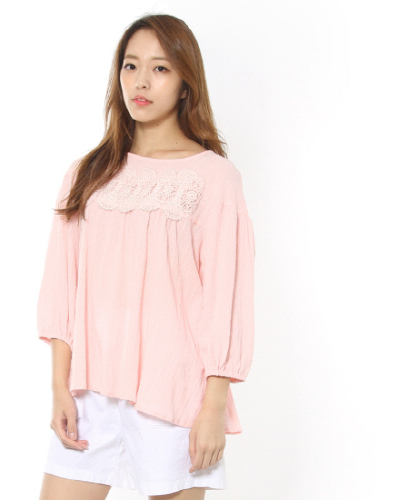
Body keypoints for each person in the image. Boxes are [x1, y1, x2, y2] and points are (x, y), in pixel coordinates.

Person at [37, 13, 256, 500]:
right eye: (131, 65)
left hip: (173, 394)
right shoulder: (87, 173)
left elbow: (226, 298)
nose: (141, 81)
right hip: (90, 393)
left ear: (185, 83)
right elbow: (61, 288)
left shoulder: (214, 178)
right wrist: (59, 388)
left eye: (160, 68)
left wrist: (213, 408)